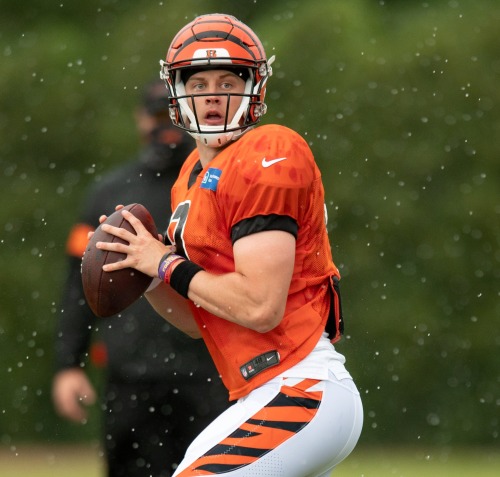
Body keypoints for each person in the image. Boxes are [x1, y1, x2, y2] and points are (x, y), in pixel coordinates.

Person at [93, 14, 363, 477]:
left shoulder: (269, 150)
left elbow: (260, 306)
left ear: (254, 87)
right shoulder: (188, 182)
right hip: (260, 392)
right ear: (177, 93)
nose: (213, 93)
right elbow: (202, 321)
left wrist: (165, 262)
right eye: (198, 83)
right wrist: (149, 272)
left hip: (302, 384)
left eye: (227, 80)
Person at [52, 79, 228, 477]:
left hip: (212, 371)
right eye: (154, 116)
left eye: (171, 117)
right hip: (131, 376)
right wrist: (68, 364)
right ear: (139, 120)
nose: (163, 127)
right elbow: (78, 285)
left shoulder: (217, 185)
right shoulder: (110, 192)